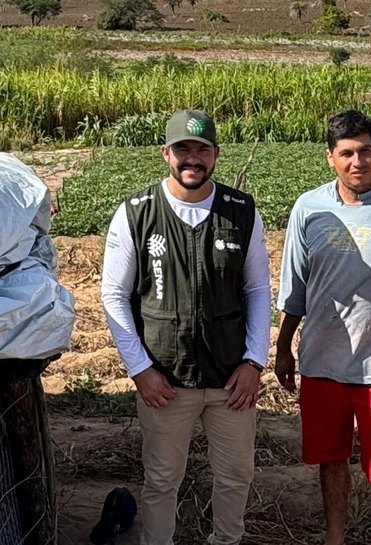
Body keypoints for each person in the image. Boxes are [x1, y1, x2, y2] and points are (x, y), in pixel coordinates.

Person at [101, 109, 271, 545]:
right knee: (161, 480)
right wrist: (140, 370)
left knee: (235, 476)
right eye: (183, 150)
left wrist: (254, 361)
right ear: (166, 154)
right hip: (165, 379)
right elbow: (114, 297)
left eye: (201, 150)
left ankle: (226, 541)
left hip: (231, 379)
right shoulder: (136, 213)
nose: (191, 159)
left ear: (215, 155)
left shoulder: (241, 212)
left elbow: (256, 290)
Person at [275, 109, 371, 545]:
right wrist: (284, 347)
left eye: (365, 151)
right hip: (322, 360)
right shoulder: (308, 208)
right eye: (346, 153)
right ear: (330, 158)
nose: (357, 161)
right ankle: (335, 536)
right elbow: (295, 286)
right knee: (331, 457)